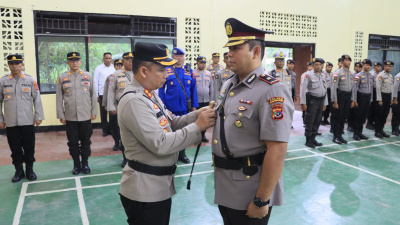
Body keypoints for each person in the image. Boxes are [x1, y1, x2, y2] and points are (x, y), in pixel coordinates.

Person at [118, 42, 216, 225]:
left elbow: (171, 123)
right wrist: (197, 127)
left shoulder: (149, 94)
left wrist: (196, 115)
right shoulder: (134, 101)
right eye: (162, 69)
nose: (166, 74)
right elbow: (161, 143)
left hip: (156, 186)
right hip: (145, 191)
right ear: (144, 71)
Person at [212, 18, 294, 225]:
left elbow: (277, 150)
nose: (229, 54)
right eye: (229, 48)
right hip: (225, 184)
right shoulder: (229, 84)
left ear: (255, 52)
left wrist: (261, 200)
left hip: (249, 189)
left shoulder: (272, 89)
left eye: (236, 48)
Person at [0, 54, 44, 183]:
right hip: (11, 122)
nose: (15, 66)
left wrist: (38, 116)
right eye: (12, 64)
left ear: (22, 65)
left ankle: (29, 170)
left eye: (17, 63)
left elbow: (37, 99)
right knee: (15, 148)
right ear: (9, 65)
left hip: (27, 120)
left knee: (29, 146)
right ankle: (19, 170)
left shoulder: (30, 80)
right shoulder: (3, 81)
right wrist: (1, 119)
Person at [56, 52, 97, 175]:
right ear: (68, 63)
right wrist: (61, 115)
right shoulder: (62, 78)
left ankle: (85, 164)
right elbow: (59, 98)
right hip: (70, 117)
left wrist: (94, 111)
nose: (74, 62)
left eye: (77, 60)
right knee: (72, 142)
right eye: (72, 60)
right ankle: (76, 165)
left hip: (85, 116)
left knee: (86, 141)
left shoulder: (88, 76)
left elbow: (93, 95)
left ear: (80, 62)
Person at [159, 47, 199, 164]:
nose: (178, 58)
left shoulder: (189, 71)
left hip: (185, 108)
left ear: (183, 57)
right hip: (170, 107)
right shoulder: (167, 70)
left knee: (184, 131)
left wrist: (194, 106)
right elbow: (161, 89)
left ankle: (182, 154)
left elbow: (193, 89)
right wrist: (162, 106)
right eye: (176, 56)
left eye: (181, 56)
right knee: (171, 132)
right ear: (172, 57)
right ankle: (173, 156)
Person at [107, 52, 134, 167]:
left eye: (132, 59)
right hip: (121, 108)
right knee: (123, 133)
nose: (130, 61)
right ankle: (125, 158)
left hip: (136, 107)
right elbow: (111, 91)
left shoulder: (140, 73)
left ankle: (135, 157)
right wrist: (111, 107)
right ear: (123, 61)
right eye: (127, 59)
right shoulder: (116, 74)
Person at [300, 58, 327, 148]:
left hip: (321, 101)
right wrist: (303, 103)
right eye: (316, 64)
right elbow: (303, 90)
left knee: (318, 120)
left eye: (320, 64)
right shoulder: (308, 75)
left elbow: (325, 89)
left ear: (322, 65)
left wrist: (325, 103)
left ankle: (313, 138)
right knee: (310, 121)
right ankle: (308, 140)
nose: (318, 66)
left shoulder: (323, 75)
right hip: (312, 101)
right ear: (313, 65)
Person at [331, 54, 354, 144]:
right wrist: (335, 101)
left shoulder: (351, 73)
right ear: (342, 62)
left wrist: (352, 100)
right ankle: (335, 136)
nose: (348, 62)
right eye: (346, 61)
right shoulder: (337, 73)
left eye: (349, 61)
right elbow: (333, 88)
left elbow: (352, 87)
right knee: (338, 117)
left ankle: (340, 135)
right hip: (340, 96)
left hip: (348, 96)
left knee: (344, 117)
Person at [102, 59, 123, 151]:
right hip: (113, 105)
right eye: (117, 65)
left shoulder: (128, 77)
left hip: (123, 106)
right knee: (114, 126)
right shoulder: (110, 77)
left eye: (121, 65)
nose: (119, 67)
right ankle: (116, 142)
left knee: (123, 127)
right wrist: (106, 104)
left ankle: (123, 143)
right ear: (114, 66)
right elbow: (106, 92)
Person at [94, 52, 116, 137]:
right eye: (106, 58)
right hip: (102, 93)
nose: (108, 60)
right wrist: (96, 95)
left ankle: (111, 129)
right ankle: (105, 130)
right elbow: (95, 81)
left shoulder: (114, 68)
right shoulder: (98, 68)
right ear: (103, 59)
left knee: (112, 112)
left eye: (109, 58)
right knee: (103, 113)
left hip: (112, 94)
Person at [352, 59, 373, 140]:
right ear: (363, 66)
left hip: (367, 98)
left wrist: (371, 99)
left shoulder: (371, 76)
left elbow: (371, 88)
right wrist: (355, 100)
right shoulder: (359, 75)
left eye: (368, 65)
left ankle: (360, 132)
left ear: (370, 66)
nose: (367, 66)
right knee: (358, 116)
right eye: (365, 65)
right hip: (360, 97)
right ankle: (355, 133)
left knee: (364, 117)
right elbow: (355, 88)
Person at [195, 56, 214, 142]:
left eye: (204, 63)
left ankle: (203, 135)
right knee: (196, 119)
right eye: (201, 63)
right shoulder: (193, 73)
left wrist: (211, 99)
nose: (203, 64)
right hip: (196, 100)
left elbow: (211, 87)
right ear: (197, 63)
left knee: (205, 118)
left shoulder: (208, 73)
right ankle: (195, 137)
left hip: (206, 100)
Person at [375, 60, 394, 138]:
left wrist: (392, 98)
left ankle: (381, 130)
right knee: (379, 114)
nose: (390, 68)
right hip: (382, 96)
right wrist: (379, 99)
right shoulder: (380, 75)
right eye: (389, 66)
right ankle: (377, 131)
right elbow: (378, 88)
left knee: (385, 115)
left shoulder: (390, 76)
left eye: (391, 66)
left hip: (388, 97)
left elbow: (391, 88)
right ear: (385, 66)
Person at [366, 62, 382, 130]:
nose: (379, 68)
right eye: (377, 66)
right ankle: (369, 123)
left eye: (380, 66)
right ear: (374, 67)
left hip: (378, 92)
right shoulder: (371, 74)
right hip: (373, 91)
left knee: (377, 109)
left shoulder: (380, 74)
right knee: (371, 109)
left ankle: (374, 123)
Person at [347, 62, 363, 132]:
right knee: (351, 111)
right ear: (354, 67)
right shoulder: (351, 75)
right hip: (351, 95)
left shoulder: (362, 75)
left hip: (359, 96)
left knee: (357, 112)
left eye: (359, 67)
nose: (358, 68)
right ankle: (350, 125)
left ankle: (355, 126)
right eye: (356, 67)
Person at [301, 62, 314, 126]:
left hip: (311, 94)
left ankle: (310, 122)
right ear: (307, 67)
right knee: (305, 108)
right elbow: (302, 85)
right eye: (309, 66)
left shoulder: (315, 74)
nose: (310, 68)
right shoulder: (304, 74)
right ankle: (304, 121)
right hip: (306, 93)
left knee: (311, 108)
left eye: (312, 66)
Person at [392, 71, 400, 136]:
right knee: (396, 113)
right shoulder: (398, 76)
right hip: (398, 95)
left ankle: (397, 128)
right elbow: (395, 88)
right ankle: (394, 129)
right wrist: (395, 98)